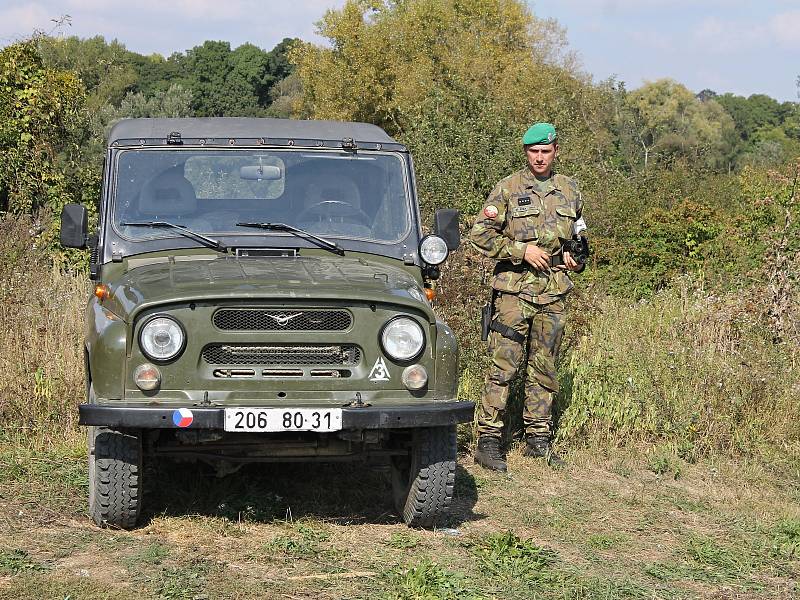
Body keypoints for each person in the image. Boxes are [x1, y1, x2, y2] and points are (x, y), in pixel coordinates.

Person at [468, 122, 586, 471]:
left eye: (545, 151)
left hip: (553, 291)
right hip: (513, 293)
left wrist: (574, 258)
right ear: (526, 153)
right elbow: (480, 234)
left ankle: (538, 439)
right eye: (533, 151)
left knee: (544, 367)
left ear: (556, 152)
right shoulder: (507, 188)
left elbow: (579, 239)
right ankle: (488, 441)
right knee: (503, 365)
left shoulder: (570, 190)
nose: (539, 157)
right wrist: (521, 251)